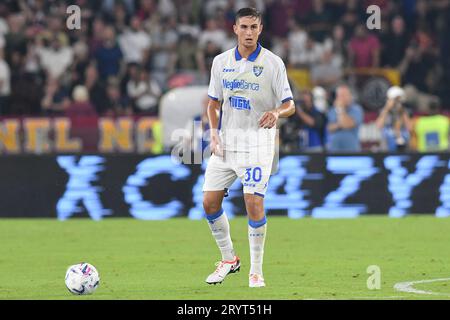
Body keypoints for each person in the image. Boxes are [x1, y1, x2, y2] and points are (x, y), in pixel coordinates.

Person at [202, 7, 295, 288]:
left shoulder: (273, 63)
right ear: (234, 29)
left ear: (261, 29)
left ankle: (256, 271)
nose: (249, 33)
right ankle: (229, 259)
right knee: (209, 202)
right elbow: (213, 103)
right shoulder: (220, 62)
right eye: (244, 27)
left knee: (253, 202)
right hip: (228, 142)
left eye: (254, 27)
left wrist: (277, 113)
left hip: (258, 143)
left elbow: (290, 104)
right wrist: (214, 134)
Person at [326, 84, 364, 152]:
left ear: (350, 96)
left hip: (351, 150)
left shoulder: (356, 109)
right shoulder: (332, 110)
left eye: (343, 95)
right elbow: (329, 128)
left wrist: (340, 109)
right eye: (339, 96)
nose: (341, 98)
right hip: (334, 150)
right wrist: (340, 124)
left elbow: (347, 124)